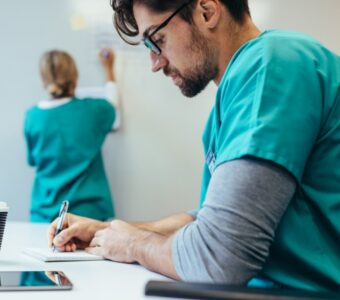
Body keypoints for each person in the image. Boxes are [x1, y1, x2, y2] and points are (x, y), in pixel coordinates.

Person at [48, 0, 340, 292]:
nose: (155, 63)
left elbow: (219, 258)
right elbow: (213, 219)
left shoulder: (272, 64)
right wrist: (108, 232)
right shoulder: (235, 97)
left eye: (157, 40)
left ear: (206, 11)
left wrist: (133, 244)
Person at [24, 48, 120, 222]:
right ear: (74, 77)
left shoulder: (33, 116)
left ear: (44, 79)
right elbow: (113, 104)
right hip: (87, 216)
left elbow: (32, 160)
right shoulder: (93, 110)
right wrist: (108, 68)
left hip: (43, 216)